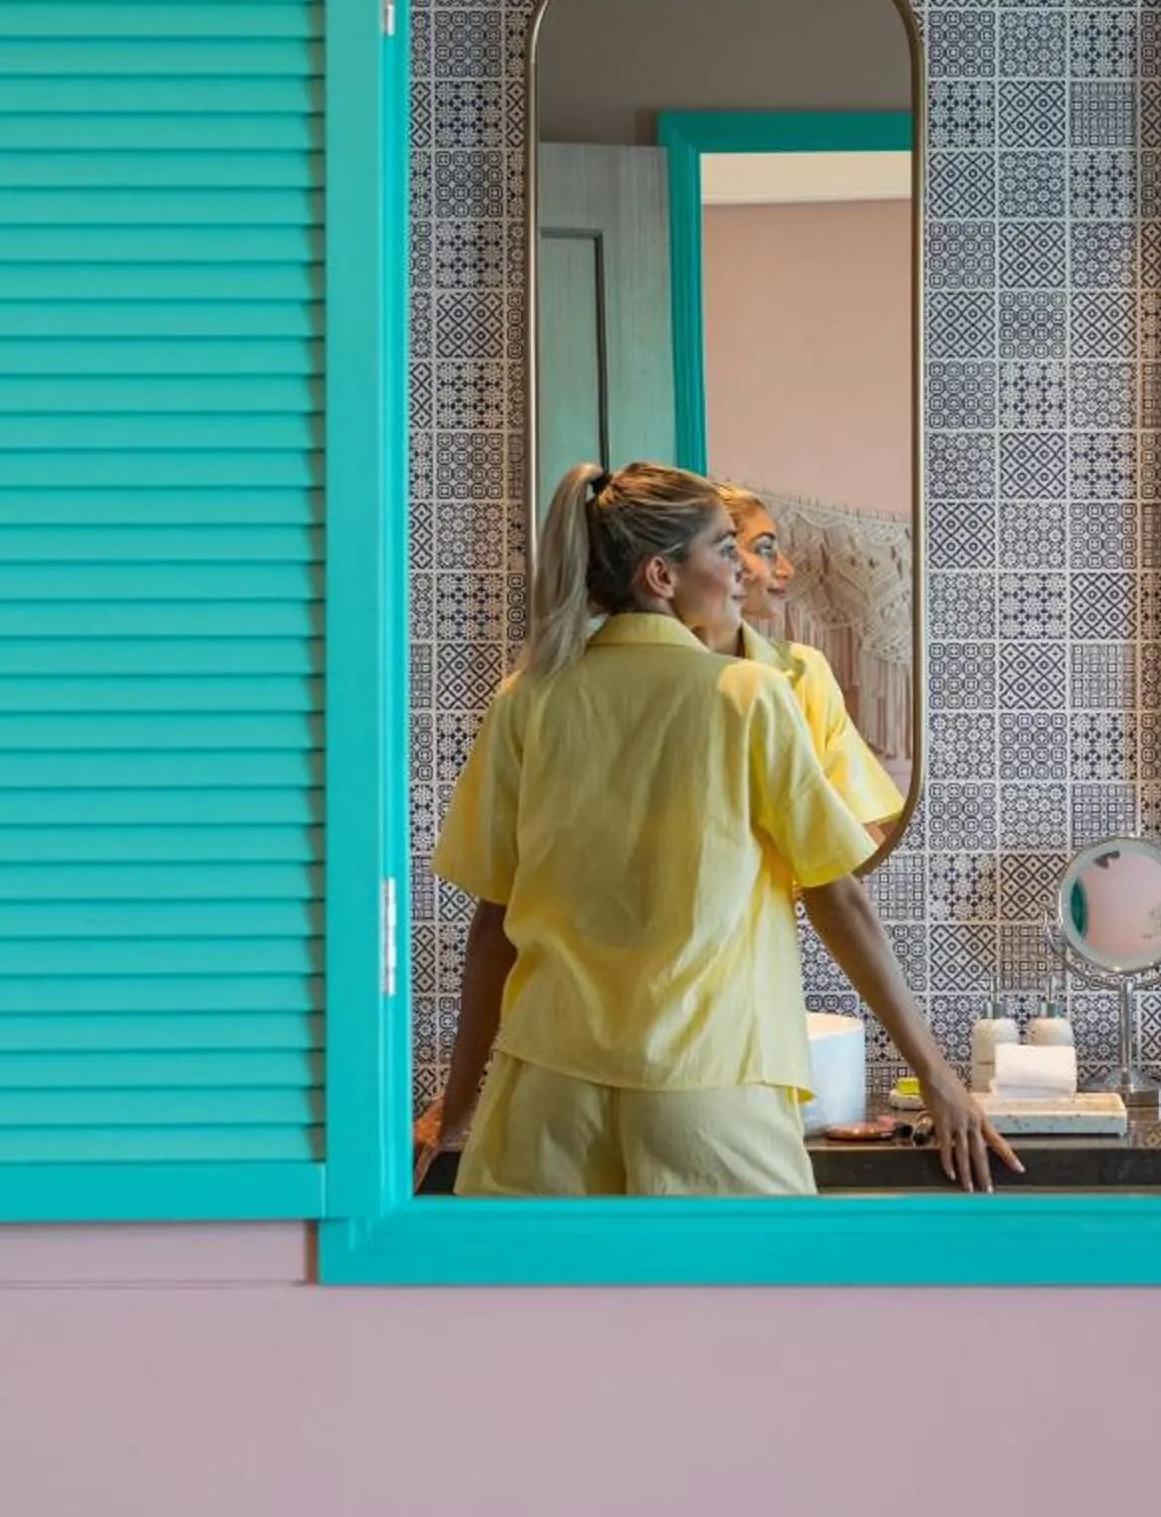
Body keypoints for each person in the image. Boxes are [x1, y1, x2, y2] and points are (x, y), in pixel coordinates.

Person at [414, 460, 1015, 1196]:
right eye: (725, 549)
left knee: (549, 1312)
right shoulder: (748, 696)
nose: (745, 570)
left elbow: (493, 921)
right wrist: (939, 1078)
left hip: (545, 1092)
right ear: (662, 576)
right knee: (743, 1310)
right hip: (709, 1086)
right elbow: (838, 899)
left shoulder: (528, 698)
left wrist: (458, 1107)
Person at [711, 485, 905, 840]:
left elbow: (860, 823)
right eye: (765, 549)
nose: (786, 568)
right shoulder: (652, 682)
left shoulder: (802, 671)